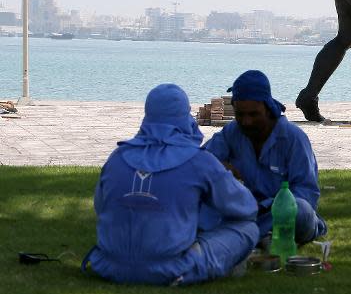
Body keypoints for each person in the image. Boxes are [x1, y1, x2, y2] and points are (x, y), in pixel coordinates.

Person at [82, 84, 259, 285]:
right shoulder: (199, 161)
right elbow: (246, 208)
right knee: (248, 229)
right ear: (185, 116)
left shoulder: (117, 158)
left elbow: (101, 206)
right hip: (172, 269)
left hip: (110, 266)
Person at [204, 70, 327, 245]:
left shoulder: (294, 139)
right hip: (242, 211)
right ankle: (257, 236)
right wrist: (221, 167)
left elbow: (307, 193)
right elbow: (200, 162)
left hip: (279, 214)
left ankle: (252, 235)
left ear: (268, 108)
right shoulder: (232, 132)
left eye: (253, 114)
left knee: (301, 211)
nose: (246, 121)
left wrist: (264, 206)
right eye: (240, 115)